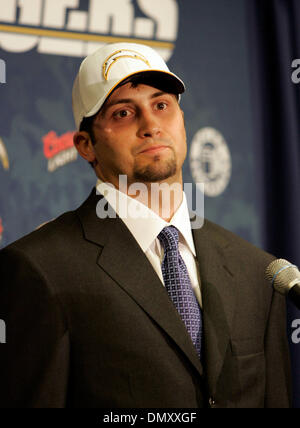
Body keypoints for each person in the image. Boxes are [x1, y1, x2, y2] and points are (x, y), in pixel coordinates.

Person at [0, 43, 292, 408]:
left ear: (182, 121)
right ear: (85, 145)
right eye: (123, 113)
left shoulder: (257, 271)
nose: (151, 125)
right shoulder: (38, 270)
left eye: (162, 105)